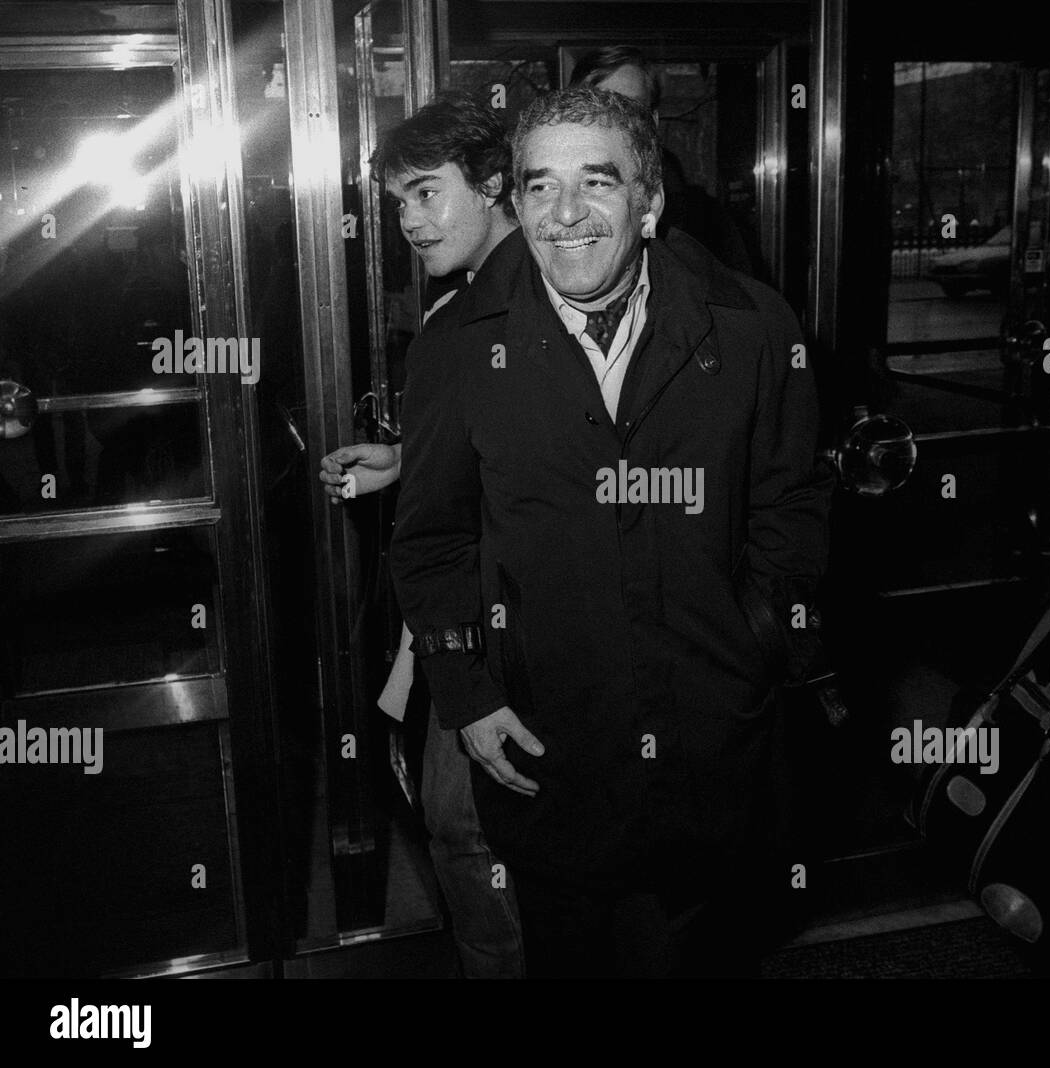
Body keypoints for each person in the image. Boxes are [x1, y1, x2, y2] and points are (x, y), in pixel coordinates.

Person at [389, 86, 832, 977]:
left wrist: (754, 644)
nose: (566, 214)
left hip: (710, 737)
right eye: (541, 187)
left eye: (598, 182)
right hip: (549, 744)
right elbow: (434, 538)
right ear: (516, 200)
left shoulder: (750, 329)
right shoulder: (460, 345)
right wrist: (470, 694)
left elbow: (793, 504)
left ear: (650, 200)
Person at [320, 95, 524, 979]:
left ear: (491, 184)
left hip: (504, 625)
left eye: (426, 194)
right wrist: (410, 458)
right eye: (398, 202)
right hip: (480, 618)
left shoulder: (528, 305)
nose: (407, 221)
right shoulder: (466, 310)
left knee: (468, 829)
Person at [571, 46, 755, 275]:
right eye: (601, 107)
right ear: (575, 119)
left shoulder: (708, 226)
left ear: (653, 120)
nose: (616, 122)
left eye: (630, 108)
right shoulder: (553, 210)